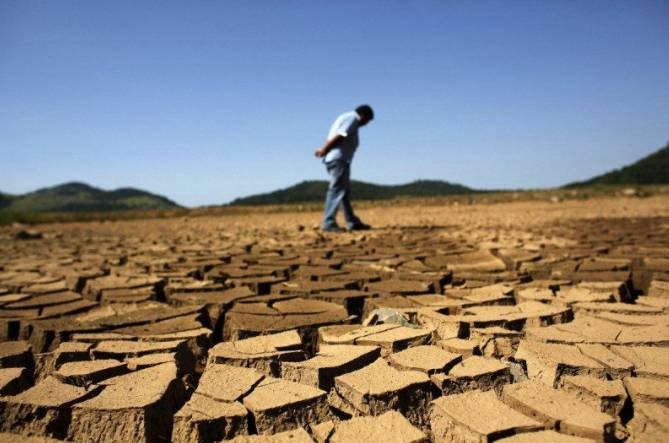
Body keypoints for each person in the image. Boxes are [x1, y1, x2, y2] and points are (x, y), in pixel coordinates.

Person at [314, 104, 374, 232]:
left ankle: (352, 221)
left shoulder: (345, 117)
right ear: (363, 116)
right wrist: (324, 150)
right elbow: (340, 135)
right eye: (367, 120)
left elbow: (333, 136)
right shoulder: (353, 118)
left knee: (343, 192)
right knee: (336, 190)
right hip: (339, 159)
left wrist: (324, 150)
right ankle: (328, 222)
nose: (366, 124)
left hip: (335, 158)